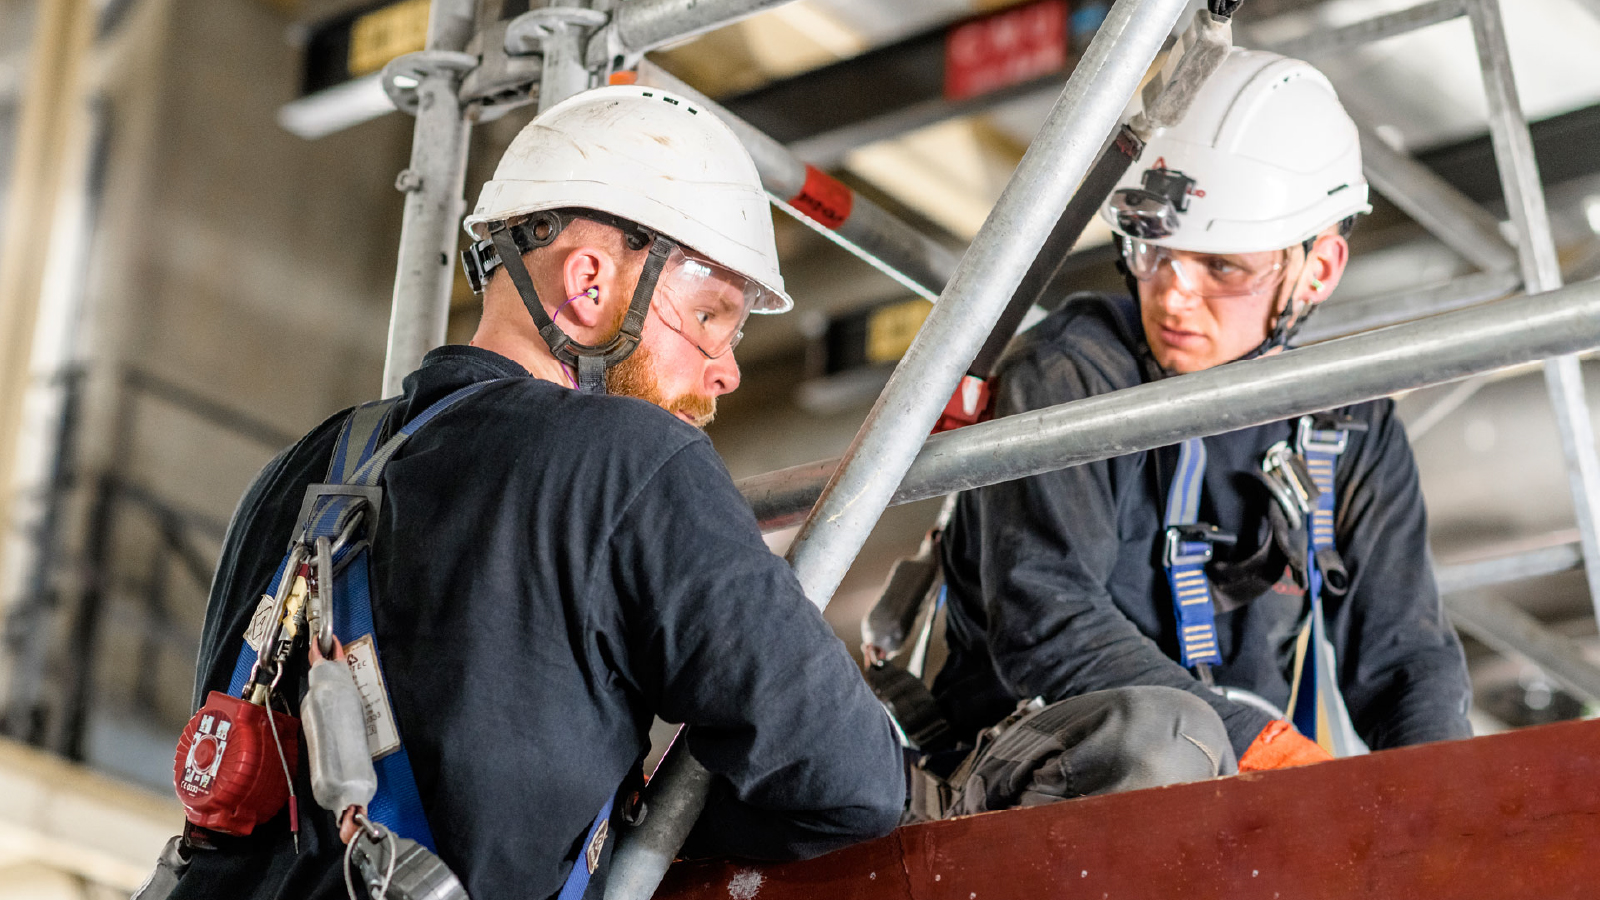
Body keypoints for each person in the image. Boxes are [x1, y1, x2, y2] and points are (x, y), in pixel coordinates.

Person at [171, 85, 903, 900]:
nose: (725, 369)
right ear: (589, 283)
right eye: (708, 315)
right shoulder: (633, 460)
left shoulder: (295, 474)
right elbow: (850, 779)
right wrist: (644, 836)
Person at [930, 49, 1472, 814]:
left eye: (1221, 266)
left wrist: (1450, 816)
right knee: (1165, 736)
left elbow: (1407, 660)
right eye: (1154, 251)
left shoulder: (1345, 429)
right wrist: (1257, 745)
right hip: (1041, 783)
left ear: (1316, 270)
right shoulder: (1068, 377)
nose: (1174, 297)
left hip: (1225, 806)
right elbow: (1047, 623)